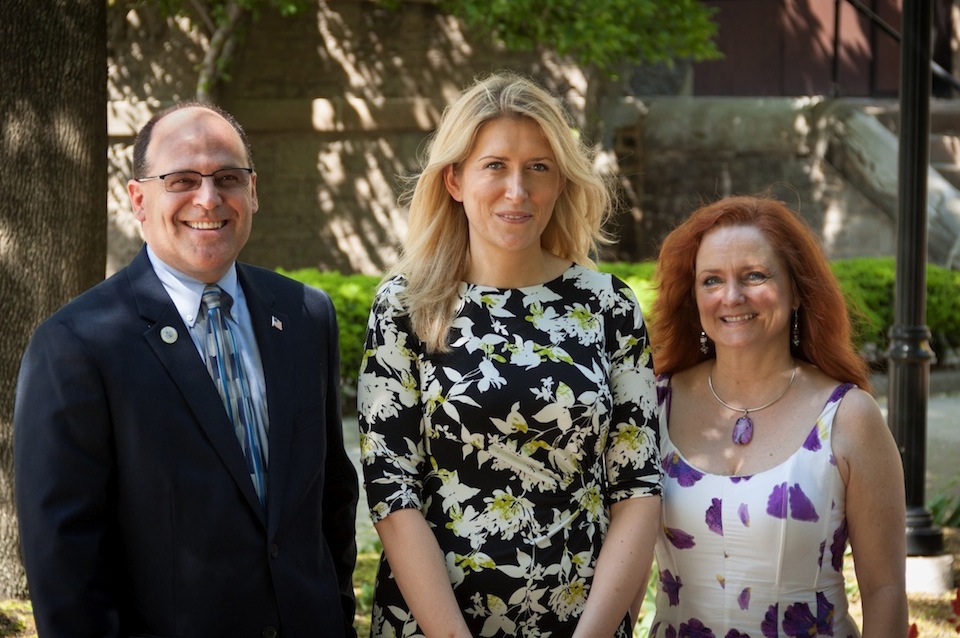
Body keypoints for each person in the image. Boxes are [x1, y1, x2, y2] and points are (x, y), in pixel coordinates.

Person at [14, 102, 359, 638]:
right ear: (138, 199)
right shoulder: (76, 345)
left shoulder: (304, 315)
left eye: (228, 178)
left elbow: (332, 497)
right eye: (182, 180)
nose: (208, 198)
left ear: (253, 191)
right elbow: (64, 561)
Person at [356, 71, 662, 638]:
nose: (517, 191)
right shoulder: (405, 307)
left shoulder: (608, 305)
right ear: (454, 179)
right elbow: (392, 492)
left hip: (582, 625)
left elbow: (638, 488)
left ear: (561, 181)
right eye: (495, 165)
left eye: (538, 167)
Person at [646, 195, 907, 636]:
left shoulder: (848, 416)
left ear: (797, 290)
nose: (732, 297)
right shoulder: (653, 405)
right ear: (693, 297)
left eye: (755, 275)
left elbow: (885, 590)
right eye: (711, 280)